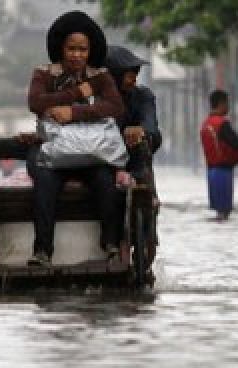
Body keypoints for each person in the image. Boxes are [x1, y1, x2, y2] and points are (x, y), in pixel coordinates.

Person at [25, 11, 125, 268]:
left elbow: (115, 106)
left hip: (91, 153)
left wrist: (74, 112)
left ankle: (111, 245)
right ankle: (43, 251)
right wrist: (77, 93)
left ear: (91, 50)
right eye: (71, 48)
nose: (77, 55)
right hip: (52, 152)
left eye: (83, 49)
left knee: (105, 179)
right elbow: (36, 102)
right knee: (44, 180)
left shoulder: (101, 76)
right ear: (61, 48)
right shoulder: (44, 74)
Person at [106, 44, 162, 276]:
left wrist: (140, 131)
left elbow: (153, 131)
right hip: (99, 166)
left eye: (135, 74)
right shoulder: (92, 99)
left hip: (135, 166)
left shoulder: (142, 97)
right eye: (129, 74)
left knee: (143, 156)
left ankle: (146, 246)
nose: (133, 79)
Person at [200, 89, 238, 220]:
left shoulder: (206, 124)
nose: (228, 107)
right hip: (223, 172)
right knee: (224, 213)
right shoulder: (221, 123)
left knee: (218, 213)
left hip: (211, 172)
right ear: (221, 103)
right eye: (227, 103)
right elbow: (236, 142)